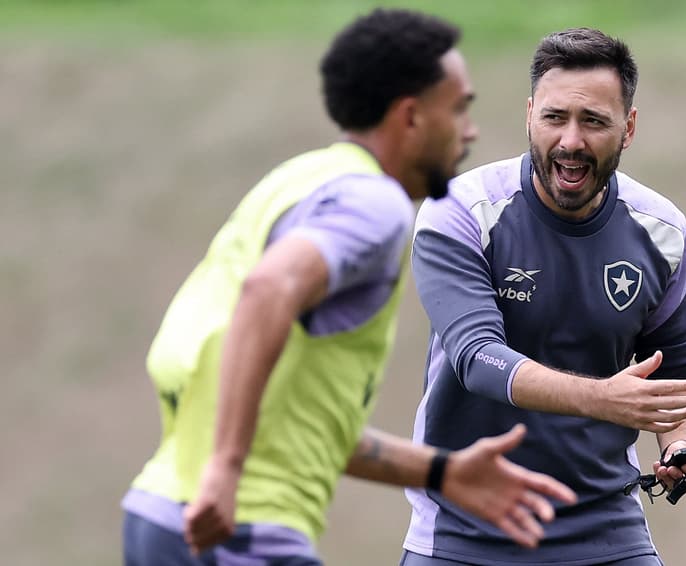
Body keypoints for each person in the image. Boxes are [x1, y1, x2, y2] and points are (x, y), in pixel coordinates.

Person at [121, 9, 579, 566]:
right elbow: (267, 289)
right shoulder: (375, 204)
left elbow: (304, 427)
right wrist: (225, 469)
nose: (470, 130)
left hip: (160, 513)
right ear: (410, 117)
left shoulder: (296, 181)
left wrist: (440, 471)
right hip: (241, 531)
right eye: (458, 108)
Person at [401, 27, 686, 565]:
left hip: (607, 534)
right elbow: (478, 359)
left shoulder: (662, 232)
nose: (571, 140)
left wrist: (678, 446)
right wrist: (605, 400)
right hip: (465, 534)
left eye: (593, 121)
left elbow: (677, 383)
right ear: (529, 116)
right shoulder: (461, 212)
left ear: (628, 127)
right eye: (555, 117)